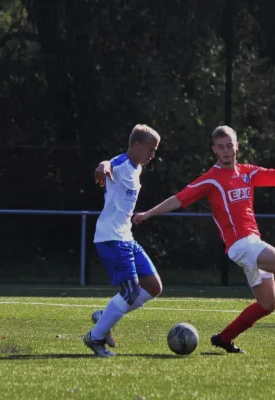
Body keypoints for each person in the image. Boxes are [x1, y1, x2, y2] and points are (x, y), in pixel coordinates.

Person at [133, 125, 275, 354]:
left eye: (229, 145)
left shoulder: (247, 172)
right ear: (214, 150)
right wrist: (147, 213)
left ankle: (223, 338)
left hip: (251, 242)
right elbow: (178, 199)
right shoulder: (211, 179)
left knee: (267, 305)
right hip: (241, 244)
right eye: (220, 147)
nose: (226, 150)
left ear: (236, 147)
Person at [84, 124, 163, 357]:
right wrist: (102, 165)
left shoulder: (136, 169)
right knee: (130, 290)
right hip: (111, 237)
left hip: (125, 237)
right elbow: (109, 163)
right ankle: (95, 338)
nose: (152, 155)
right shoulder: (120, 164)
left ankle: (103, 317)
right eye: (150, 149)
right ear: (136, 145)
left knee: (154, 287)